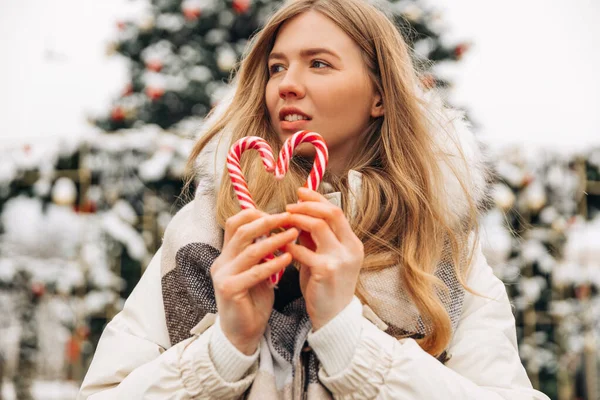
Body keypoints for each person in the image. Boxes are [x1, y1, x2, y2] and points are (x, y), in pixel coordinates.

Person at [78, 0, 550, 399]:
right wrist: (224, 347)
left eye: (319, 63)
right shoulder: (205, 230)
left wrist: (348, 337)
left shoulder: (438, 249)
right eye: (277, 67)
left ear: (379, 96)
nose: (286, 83)